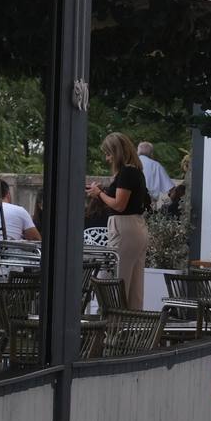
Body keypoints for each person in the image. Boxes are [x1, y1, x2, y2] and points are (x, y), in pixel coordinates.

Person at [86, 132, 149, 309]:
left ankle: (112, 323)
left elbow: (119, 205)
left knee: (115, 279)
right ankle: (131, 326)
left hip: (125, 227)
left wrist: (99, 194)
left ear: (117, 152)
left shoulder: (127, 172)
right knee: (134, 285)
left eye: (108, 153)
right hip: (136, 226)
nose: (107, 158)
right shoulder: (135, 171)